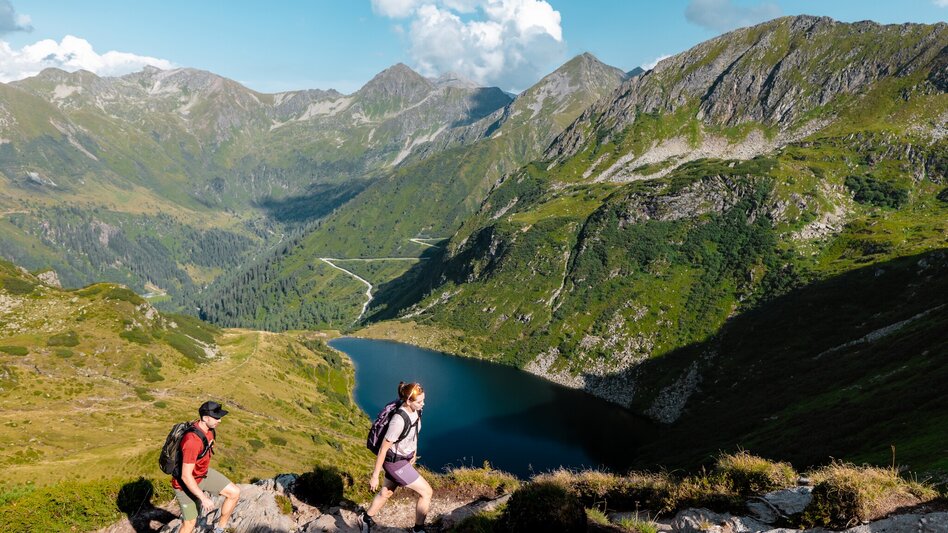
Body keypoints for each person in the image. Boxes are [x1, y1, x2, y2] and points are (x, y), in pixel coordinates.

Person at [359, 382, 432, 533]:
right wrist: (375, 476)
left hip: (404, 458)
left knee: (386, 492)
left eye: (423, 400)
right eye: (419, 401)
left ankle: (365, 518)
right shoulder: (398, 421)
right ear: (408, 401)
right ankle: (418, 529)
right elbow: (383, 449)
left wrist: (413, 451)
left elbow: (413, 433)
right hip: (394, 462)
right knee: (426, 492)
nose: (423, 404)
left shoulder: (416, 411)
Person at [172, 401, 241, 533]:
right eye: (216, 417)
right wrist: (203, 498)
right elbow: (186, 476)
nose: (219, 420)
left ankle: (219, 529)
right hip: (184, 484)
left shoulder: (209, 430)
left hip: (202, 474)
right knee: (190, 523)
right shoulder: (192, 440)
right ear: (205, 418)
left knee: (234, 493)